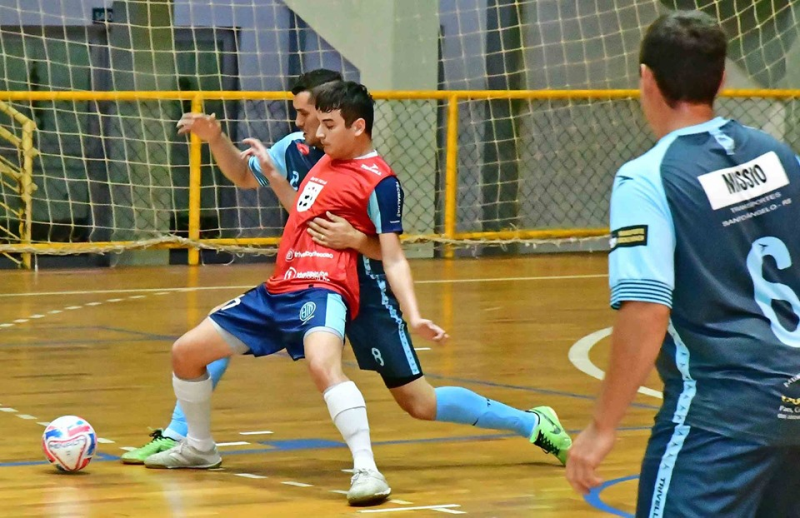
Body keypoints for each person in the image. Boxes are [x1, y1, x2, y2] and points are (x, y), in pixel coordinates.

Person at [142, 77, 448, 507]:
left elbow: (394, 256)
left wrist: (414, 315)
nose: (317, 134)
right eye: (316, 122)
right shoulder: (324, 161)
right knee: (185, 353)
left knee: (325, 367)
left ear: (357, 127)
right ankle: (199, 447)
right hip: (279, 286)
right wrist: (273, 176)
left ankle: (366, 469)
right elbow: (303, 212)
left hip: (323, 288)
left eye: (327, 124)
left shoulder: (381, 181)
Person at [566, 11, 800, 517]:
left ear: (646, 78)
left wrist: (601, 427)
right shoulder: (780, 156)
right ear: (720, 78)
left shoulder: (647, 179)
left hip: (721, 417)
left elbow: (646, 311)